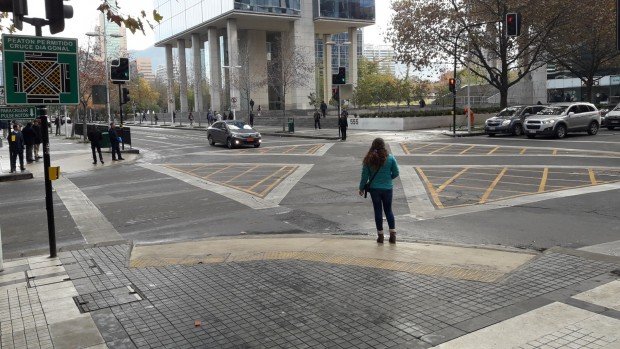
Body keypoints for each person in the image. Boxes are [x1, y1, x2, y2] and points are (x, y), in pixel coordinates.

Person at [358, 138, 400, 244]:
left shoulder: (369, 159)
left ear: (373, 146)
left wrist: (361, 188)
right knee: (388, 210)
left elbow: (364, 176)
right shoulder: (390, 158)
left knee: (378, 211)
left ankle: (380, 236)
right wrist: (388, 178)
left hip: (374, 189)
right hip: (387, 188)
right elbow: (396, 172)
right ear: (383, 146)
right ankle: (392, 235)